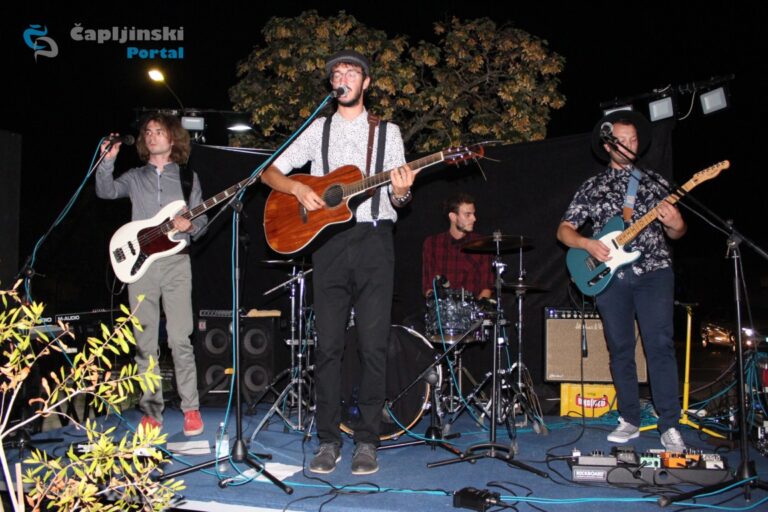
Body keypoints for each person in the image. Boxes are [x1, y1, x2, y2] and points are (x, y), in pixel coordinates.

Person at [260, 49, 415, 475]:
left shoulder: (388, 133)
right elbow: (269, 172)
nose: (342, 77)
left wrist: (402, 191)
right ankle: (328, 440)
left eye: (351, 72)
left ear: (366, 83)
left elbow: (398, 197)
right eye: (337, 73)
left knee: (373, 346)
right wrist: (297, 189)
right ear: (332, 84)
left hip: (375, 242)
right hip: (328, 244)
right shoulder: (318, 129)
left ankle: (367, 441)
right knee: (327, 346)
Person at [556, 110, 687, 452]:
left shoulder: (655, 182)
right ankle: (629, 418)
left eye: (633, 140)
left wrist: (675, 223)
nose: (629, 145)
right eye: (621, 140)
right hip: (611, 277)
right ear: (607, 145)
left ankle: (669, 424)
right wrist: (587, 244)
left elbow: (677, 233)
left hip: (654, 272)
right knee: (620, 348)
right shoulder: (592, 186)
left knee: (660, 345)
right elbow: (564, 230)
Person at [96, 113, 207, 437]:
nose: (152, 135)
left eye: (159, 131)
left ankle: (191, 409)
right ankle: (151, 412)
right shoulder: (134, 177)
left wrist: (191, 226)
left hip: (176, 264)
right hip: (140, 265)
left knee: (180, 338)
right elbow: (105, 191)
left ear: (172, 138)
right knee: (145, 341)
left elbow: (203, 222)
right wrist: (107, 161)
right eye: (148, 132)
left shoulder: (188, 179)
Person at [422, 193, 493, 299]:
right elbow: (428, 286)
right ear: (453, 217)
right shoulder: (432, 244)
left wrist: (480, 306)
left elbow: (487, 286)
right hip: (443, 307)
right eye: (468, 214)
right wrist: (437, 303)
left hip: (473, 307)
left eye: (473, 214)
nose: (474, 218)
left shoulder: (481, 244)